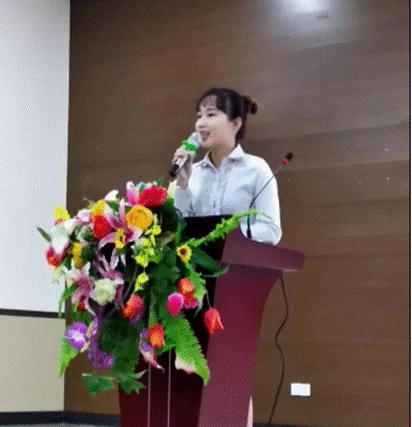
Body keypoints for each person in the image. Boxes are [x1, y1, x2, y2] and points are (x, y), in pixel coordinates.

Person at [172, 87, 282, 426]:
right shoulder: (193, 171)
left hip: (236, 287)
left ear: (235, 123)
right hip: (194, 284)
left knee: (230, 371)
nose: (200, 123)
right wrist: (182, 185)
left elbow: (271, 230)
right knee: (192, 368)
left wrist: (229, 238)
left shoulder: (257, 170)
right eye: (199, 115)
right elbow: (178, 228)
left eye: (211, 115)